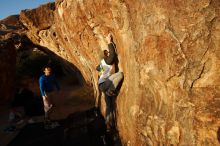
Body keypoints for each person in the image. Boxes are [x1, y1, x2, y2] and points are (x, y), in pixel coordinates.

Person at [96, 33, 124, 130]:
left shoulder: (102, 63)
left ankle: (108, 124)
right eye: (106, 53)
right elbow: (112, 54)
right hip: (105, 85)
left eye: (107, 52)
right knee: (120, 74)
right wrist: (109, 41)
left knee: (109, 106)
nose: (108, 53)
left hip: (102, 85)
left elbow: (97, 69)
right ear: (104, 56)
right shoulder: (107, 61)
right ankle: (110, 90)